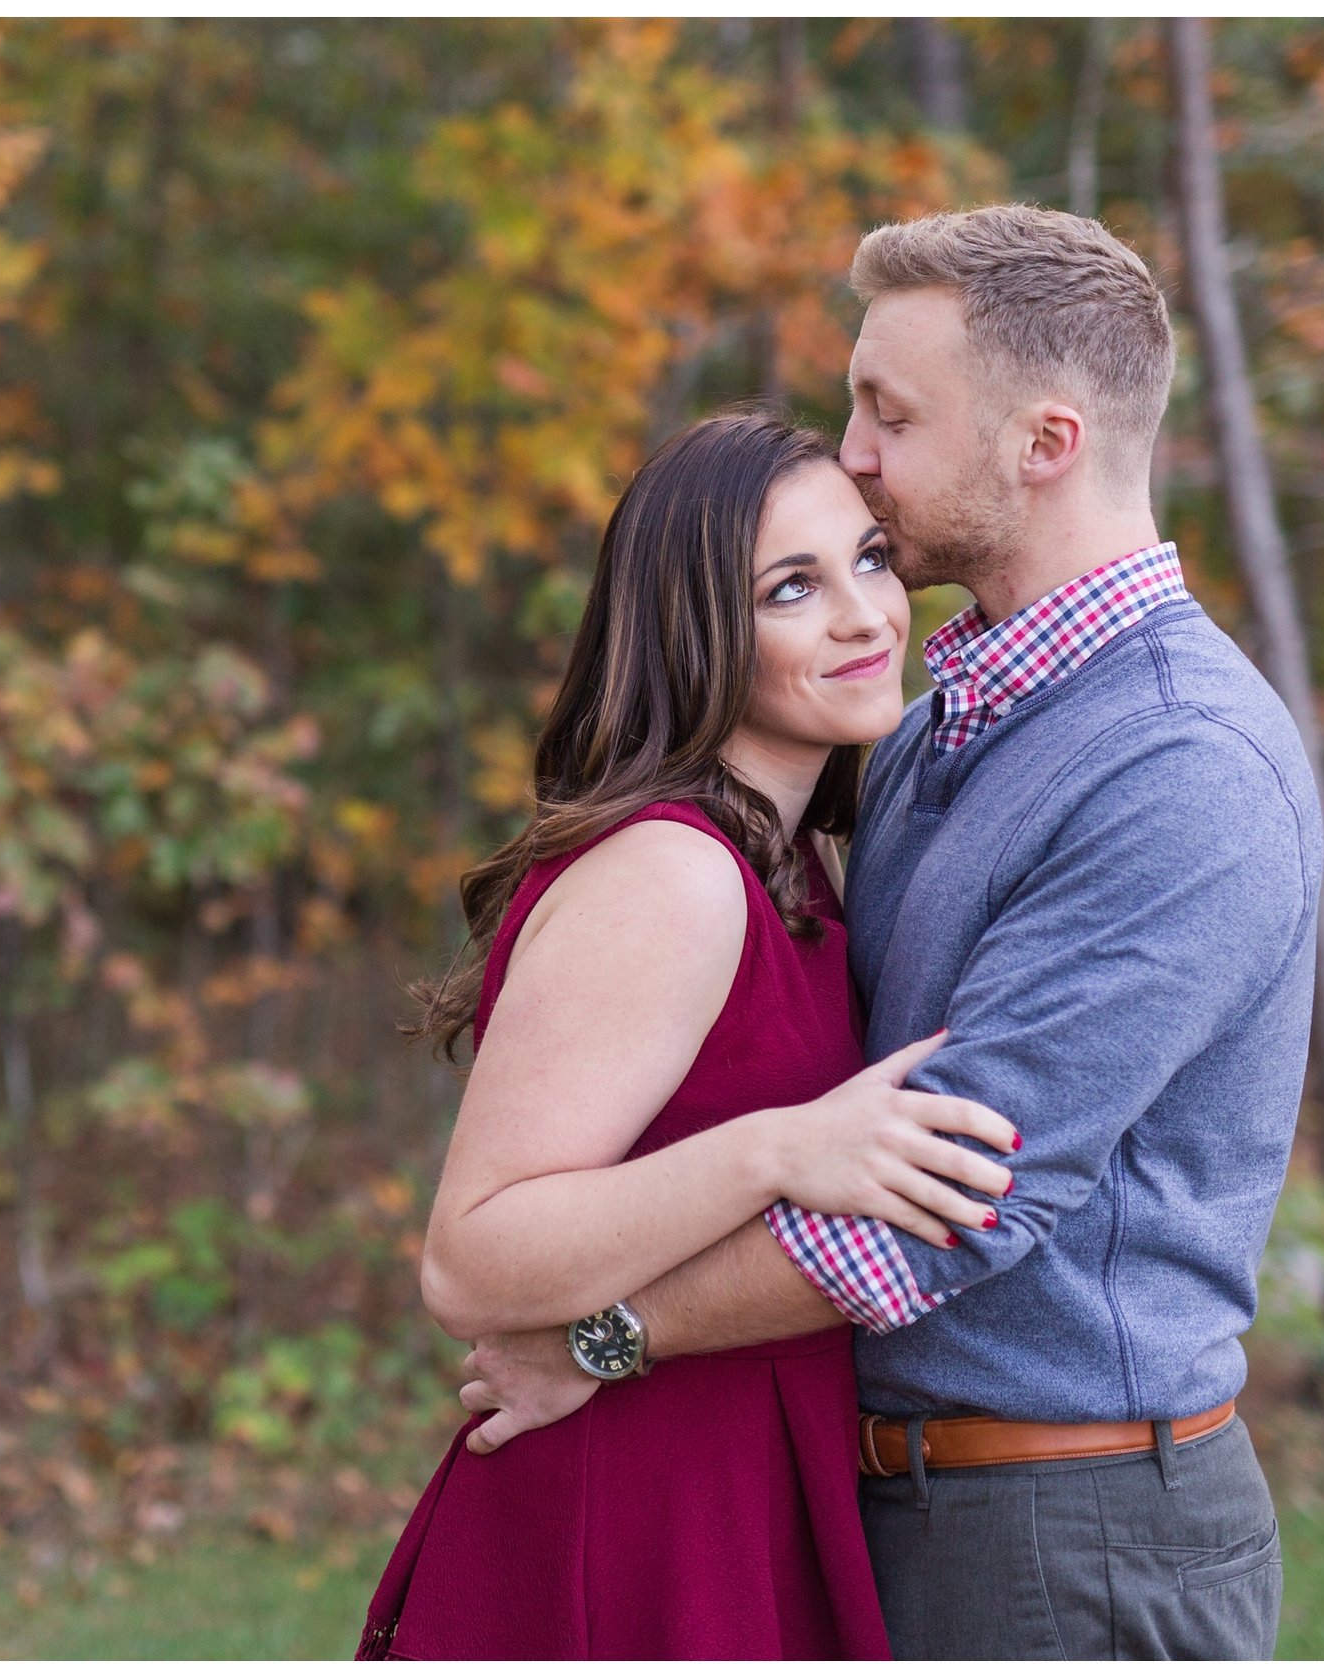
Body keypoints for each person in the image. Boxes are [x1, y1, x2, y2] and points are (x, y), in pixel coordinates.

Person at [448, 204, 1319, 1661]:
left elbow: (949, 1201)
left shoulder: (1180, 767)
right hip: (891, 1499)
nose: (850, 451)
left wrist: (605, 1337)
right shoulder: (930, 735)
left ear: (1042, 444)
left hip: (1067, 1518)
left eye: (888, 413)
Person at [354, 409, 1021, 1661]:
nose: (868, 617)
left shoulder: (796, 864)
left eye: (871, 560)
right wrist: (776, 1149)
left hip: (735, 1472)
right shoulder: (674, 873)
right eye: (792, 588)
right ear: (695, 629)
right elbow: (470, 1259)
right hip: (633, 1518)